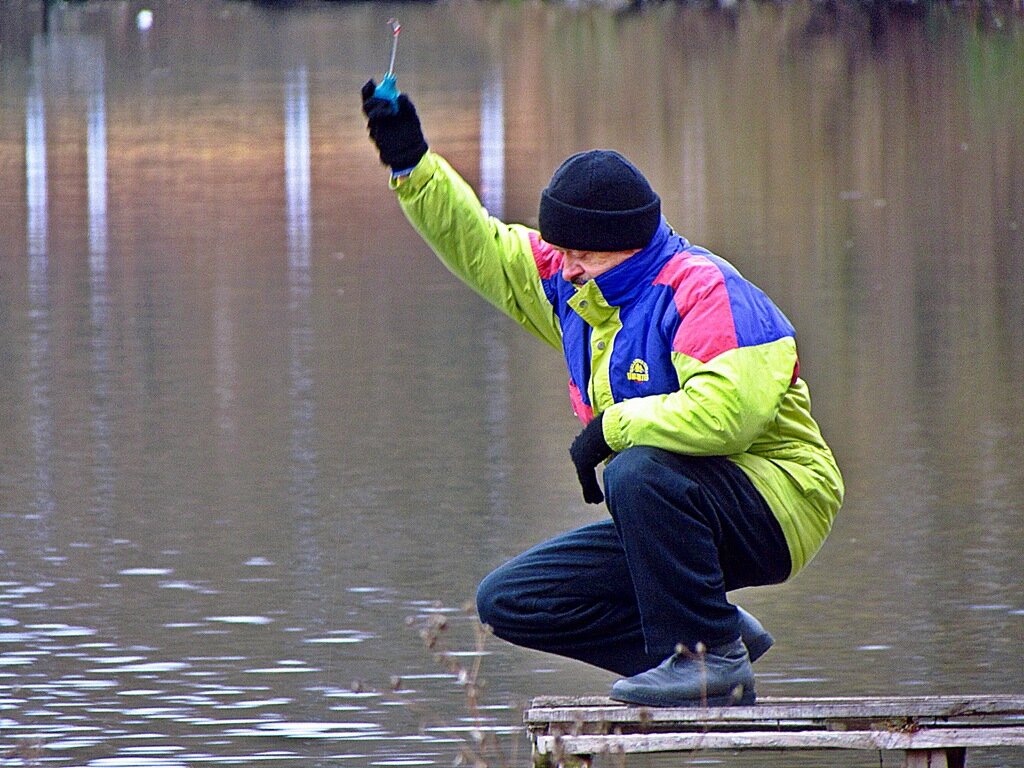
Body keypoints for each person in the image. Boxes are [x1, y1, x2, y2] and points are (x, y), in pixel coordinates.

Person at [361, 81, 844, 707]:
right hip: (674, 512)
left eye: (581, 253)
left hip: (782, 500)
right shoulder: (577, 287)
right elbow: (483, 245)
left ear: (629, 244)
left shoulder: (704, 291)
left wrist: (609, 431)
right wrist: (411, 163)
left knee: (636, 469)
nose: (566, 268)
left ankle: (712, 657)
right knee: (510, 601)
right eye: (559, 250)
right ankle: (708, 643)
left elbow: (729, 417)